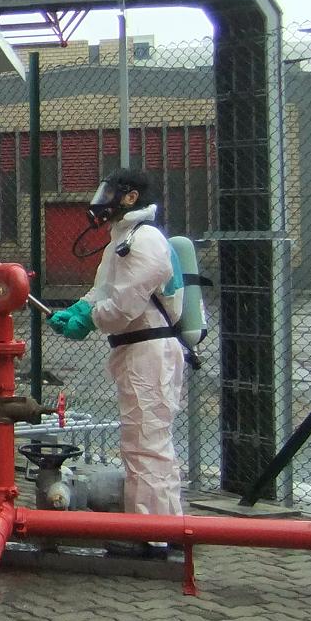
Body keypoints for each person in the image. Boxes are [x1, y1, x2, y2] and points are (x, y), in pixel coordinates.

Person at [49, 168, 186, 517]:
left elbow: (124, 307)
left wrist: (90, 318)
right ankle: (156, 526)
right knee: (143, 445)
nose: (102, 201)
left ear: (131, 198)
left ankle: (154, 533)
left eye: (110, 194)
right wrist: (80, 308)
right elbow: (105, 291)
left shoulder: (144, 240)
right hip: (138, 350)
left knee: (147, 447)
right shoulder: (123, 239)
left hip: (148, 351)